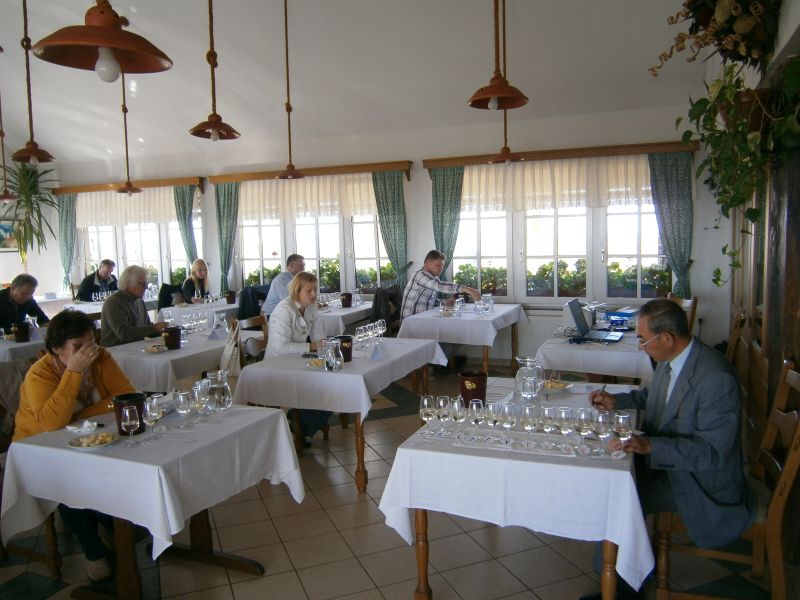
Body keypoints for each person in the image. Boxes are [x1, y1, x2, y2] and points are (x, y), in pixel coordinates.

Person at [583, 298, 753, 600]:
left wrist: (650, 445)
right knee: (611, 478)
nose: (641, 347)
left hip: (700, 483)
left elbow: (712, 453)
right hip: (674, 467)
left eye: (643, 340)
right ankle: (624, 575)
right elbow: (652, 396)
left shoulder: (715, 378)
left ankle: (622, 589)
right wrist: (617, 401)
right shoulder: (675, 359)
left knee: (620, 498)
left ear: (667, 338)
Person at [14, 310, 136, 582]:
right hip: (37, 448)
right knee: (69, 481)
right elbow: (51, 423)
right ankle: (94, 551)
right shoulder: (39, 374)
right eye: (78, 346)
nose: (88, 351)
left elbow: (124, 394)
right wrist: (73, 371)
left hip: (87, 438)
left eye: (91, 342)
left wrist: (78, 415)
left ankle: (110, 523)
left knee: (118, 467)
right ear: (57, 349)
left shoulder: (101, 357)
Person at [266, 271, 330, 442]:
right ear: (297, 291)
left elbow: (318, 336)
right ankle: (300, 425)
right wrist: (312, 346)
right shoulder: (284, 310)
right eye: (309, 290)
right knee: (321, 386)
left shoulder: (311, 306)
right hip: (276, 365)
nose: (314, 294)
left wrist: (328, 349)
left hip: (297, 360)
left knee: (333, 384)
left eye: (315, 289)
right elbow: (281, 347)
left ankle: (299, 424)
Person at [100, 265, 167, 347]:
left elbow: (147, 326)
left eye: (146, 283)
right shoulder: (113, 302)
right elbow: (124, 334)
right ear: (127, 283)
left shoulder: (139, 301)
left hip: (137, 346)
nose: (146, 287)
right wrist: (154, 328)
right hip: (115, 350)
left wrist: (165, 331)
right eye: (142, 284)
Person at [400, 250, 479, 319]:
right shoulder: (420, 275)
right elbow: (440, 286)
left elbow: (429, 301)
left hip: (422, 319)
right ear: (427, 263)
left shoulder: (433, 279)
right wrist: (467, 289)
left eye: (442, 266)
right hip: (412, 323)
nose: (441, 268)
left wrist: (445, 302)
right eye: (437, 265)